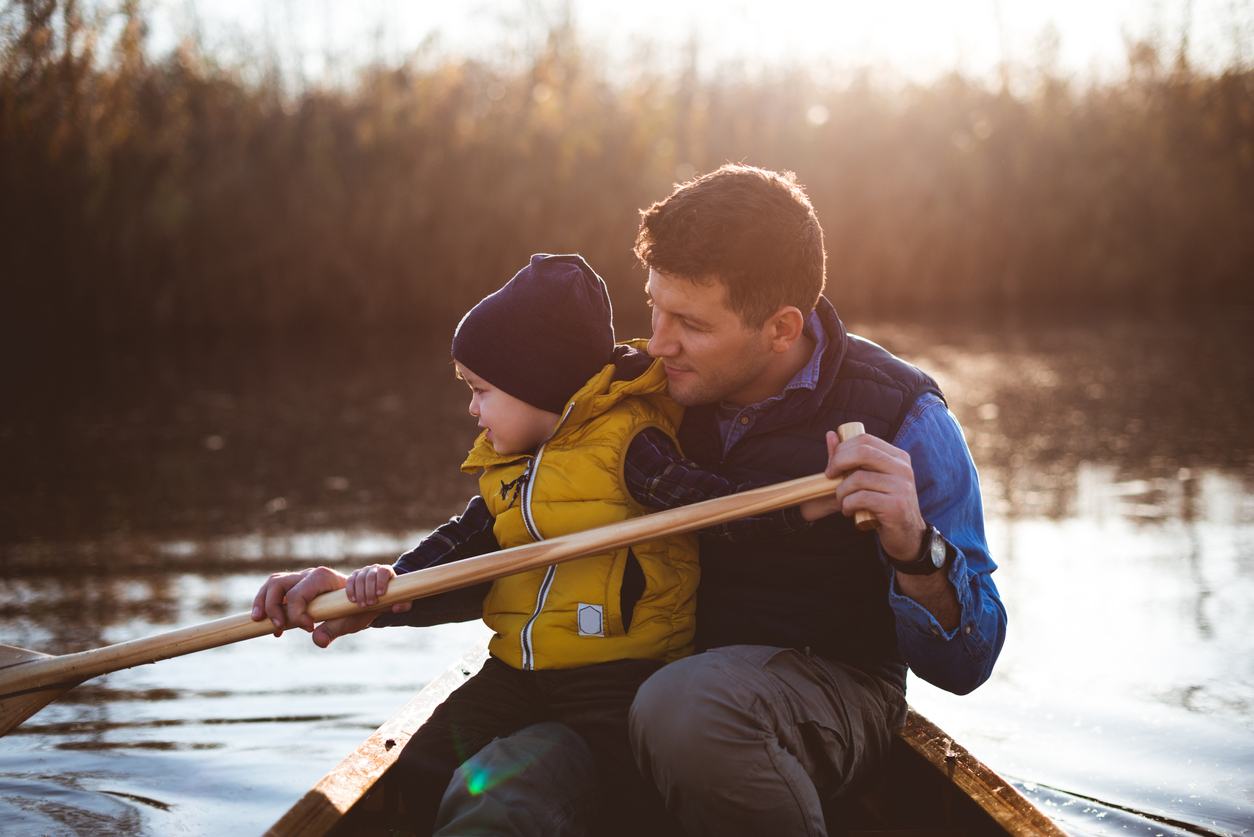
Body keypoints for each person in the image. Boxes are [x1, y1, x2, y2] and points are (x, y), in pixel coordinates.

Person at [429, 164, 1009, 836]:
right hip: (615, 697)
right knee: (501, 794)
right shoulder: (633, 394)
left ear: (781, 329)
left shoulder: (902, 416)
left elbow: (969, 659)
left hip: (825, 690)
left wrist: (915, 546)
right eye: (654, 306)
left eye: (690, 323)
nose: (659, 340)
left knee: (689, 707)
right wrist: (369, 593)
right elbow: (517, 526)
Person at [251, 252, 822, 835]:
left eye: (481, 390)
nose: (473, 408)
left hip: (615, 673)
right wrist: (377, 588)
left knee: (621, 794)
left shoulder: (629, 446)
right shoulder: (511, 467)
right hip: (519, 669)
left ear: (540, 388)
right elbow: (463, 545)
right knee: (421, 765)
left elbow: (708, 504)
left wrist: (798, 507)